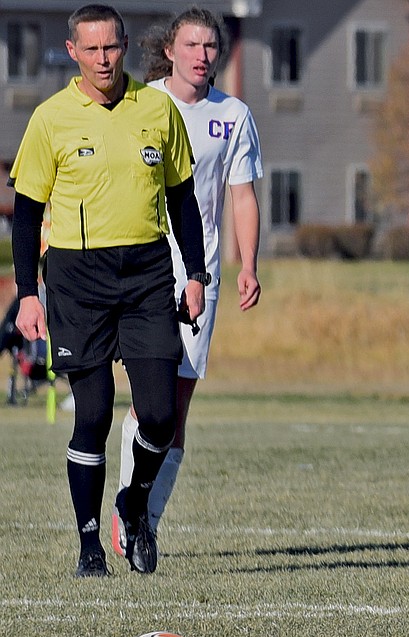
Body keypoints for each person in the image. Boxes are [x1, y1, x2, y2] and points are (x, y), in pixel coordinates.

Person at [9, 3, 207, 577]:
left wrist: (194, 273)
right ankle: (89, 543)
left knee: (160, 415)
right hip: (76, 278)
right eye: (91, 49)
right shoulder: (50, 119)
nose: (103, 59)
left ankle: (136, 505)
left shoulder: (158, 108)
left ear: (125, 46)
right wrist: (28, 293)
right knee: (91, 415)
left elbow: (182, 201)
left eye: (112, 48)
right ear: (73, 51)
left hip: (147, 274)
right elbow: (25, 216)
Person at [111, 6, 263, 555]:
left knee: (177, 403)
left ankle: (144, 519)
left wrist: (248, 263)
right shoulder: (141, 104)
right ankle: (128, 506)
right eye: (191, 45)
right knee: (147, 396)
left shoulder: (234, 116)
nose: (202, 55)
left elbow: (241, 194)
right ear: (169, 50)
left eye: (211, 47)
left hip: (204, 276)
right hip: (144, 269)